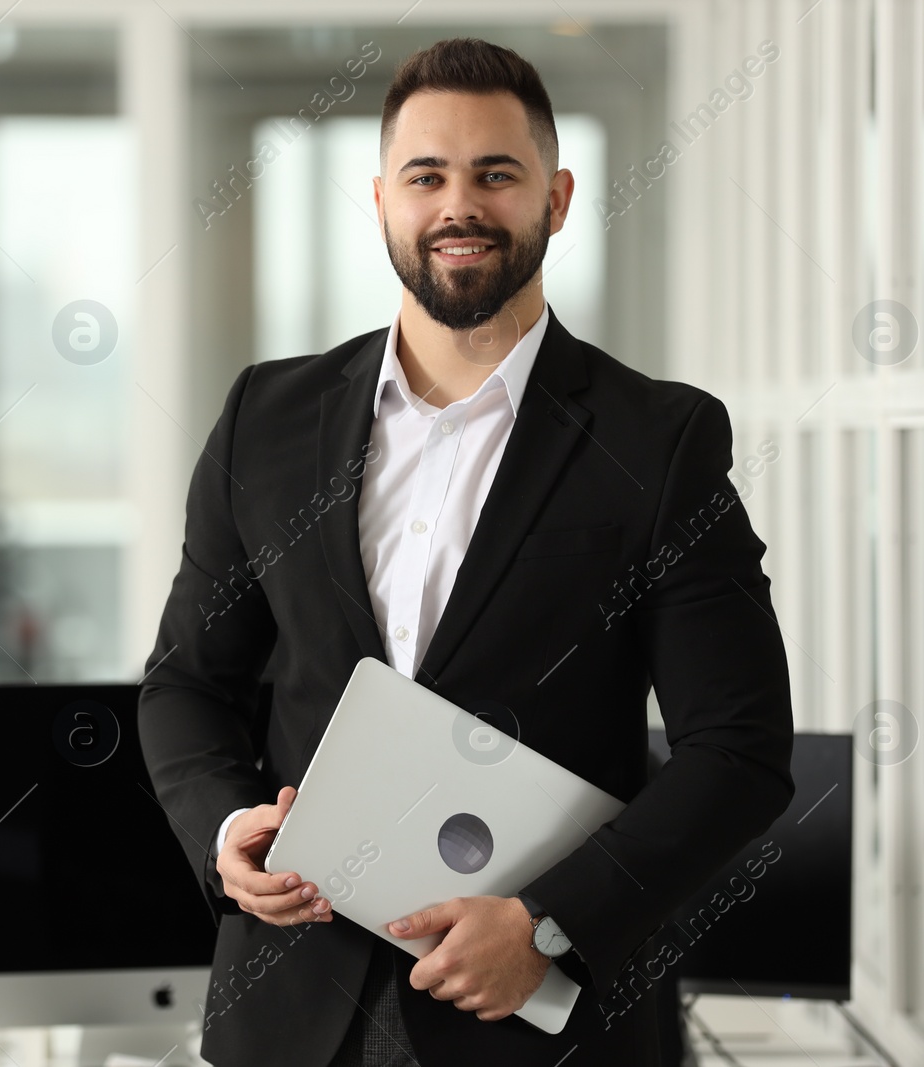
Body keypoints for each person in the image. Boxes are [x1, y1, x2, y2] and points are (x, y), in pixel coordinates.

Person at [137, 36, 794, 1067]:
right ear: (381, 198)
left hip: (546, 1020)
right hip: (291, 1006)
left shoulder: (656, 439)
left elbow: (740, 750)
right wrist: (226, 835)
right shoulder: (265, 417)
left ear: (557, 197)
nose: (459, 204)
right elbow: (185, 684)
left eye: (495, 173)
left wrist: (547, 919)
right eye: (426, 175)